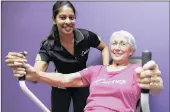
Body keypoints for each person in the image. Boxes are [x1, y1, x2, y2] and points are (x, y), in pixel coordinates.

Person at [5, 30, 163, 112]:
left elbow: (154, 88)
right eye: (114, 43)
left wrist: (155, 83)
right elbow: (64, 79)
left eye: (122, 44)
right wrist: (34, 73)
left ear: (131, 51)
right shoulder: (96, 71)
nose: (117, 47)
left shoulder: (137, 69)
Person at [5, 1, 110, 112]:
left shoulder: (87, 36)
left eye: (71, 17)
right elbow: (35, 75)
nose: (68, 21)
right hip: (60, 86)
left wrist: (105, 71)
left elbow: (104, 48)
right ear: (54, 20)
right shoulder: (48, 46)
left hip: (81, 82)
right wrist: (23, 70)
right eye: (63, 17)